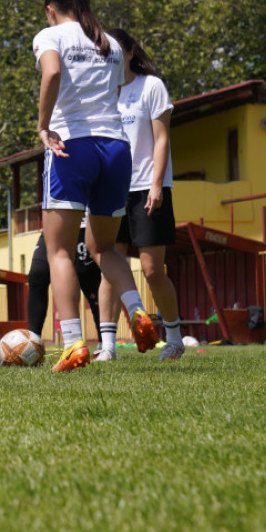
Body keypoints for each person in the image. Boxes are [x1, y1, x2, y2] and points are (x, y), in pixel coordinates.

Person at [34, 0, 157, 372]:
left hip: (73, 146)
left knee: (59, 251)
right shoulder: (112, 42)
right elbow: (115, 93)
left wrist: (43, 125)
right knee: (105, 249)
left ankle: (73, 344)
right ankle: (138, 312)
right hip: (116, 149)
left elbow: (51, 74)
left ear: (51, 10)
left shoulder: (50, 36)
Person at [95, 29, 183, 361]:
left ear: (129, 52)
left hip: (148, 187)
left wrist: (158, 184)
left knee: (151, 270)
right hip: (110, 192)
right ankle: (107, 346)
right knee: (109, 268)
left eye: (114, 51)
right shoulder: (100, 93)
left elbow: (161, 140)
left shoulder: (151, 86)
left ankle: (173, 338)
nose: (109, 58)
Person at [26, 217, 102, 339]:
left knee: (90, 284)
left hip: (83, 224)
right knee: (37, 273)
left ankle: (105, 344)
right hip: (53, 224)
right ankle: (32, 341)